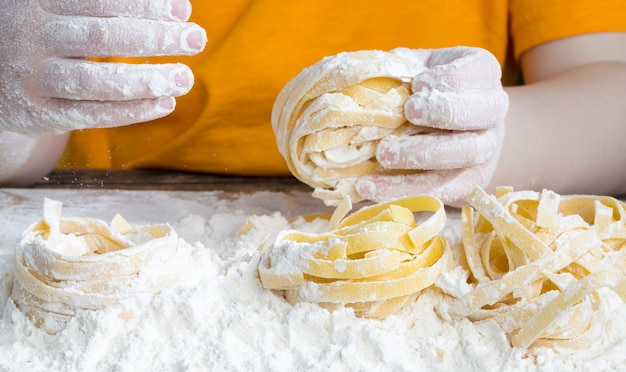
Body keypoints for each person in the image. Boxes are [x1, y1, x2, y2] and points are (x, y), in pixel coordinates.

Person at [1, 1, 625, 205]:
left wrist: (486, 142)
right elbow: (36, 134)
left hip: (431, 226)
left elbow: (611, 96)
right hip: (103, 220)